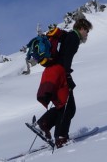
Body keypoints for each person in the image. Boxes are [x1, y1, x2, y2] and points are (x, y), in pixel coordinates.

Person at [35, 17, 92, 147]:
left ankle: (44, 124)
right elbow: (65, 58)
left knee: (63, 105)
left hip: (55, 73)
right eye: (87, 31)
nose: (87, 34)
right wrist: (67, 76)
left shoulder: (68, 36)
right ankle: (60, 136)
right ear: (81, 28)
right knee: (68, 107)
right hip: (60, 74)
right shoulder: (73, 38)